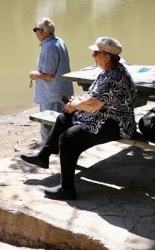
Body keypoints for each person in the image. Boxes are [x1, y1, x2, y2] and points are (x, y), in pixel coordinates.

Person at [20, 36, 136, 200]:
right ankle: (43, 156)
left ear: (107, 56)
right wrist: (76, 103)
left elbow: (94, 104)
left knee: (68, 139)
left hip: (117, 124)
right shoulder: (111, 71)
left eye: (96, 53)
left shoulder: (112, 76)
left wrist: (75, 104)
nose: (93, 56)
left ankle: (67, 189)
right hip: (106, 117)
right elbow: (93, 97)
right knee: (64, 118)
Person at [30, 17, 74, 144]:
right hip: (62, 92)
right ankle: (60, 151)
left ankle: (46, 154)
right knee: (62, 125)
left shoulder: (49, 48)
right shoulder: (59, 41)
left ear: (42, 32)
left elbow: (49, 75)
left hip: (51, 95)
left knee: (48, 126)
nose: (36, 33)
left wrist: (34, 74)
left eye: (36, 30)